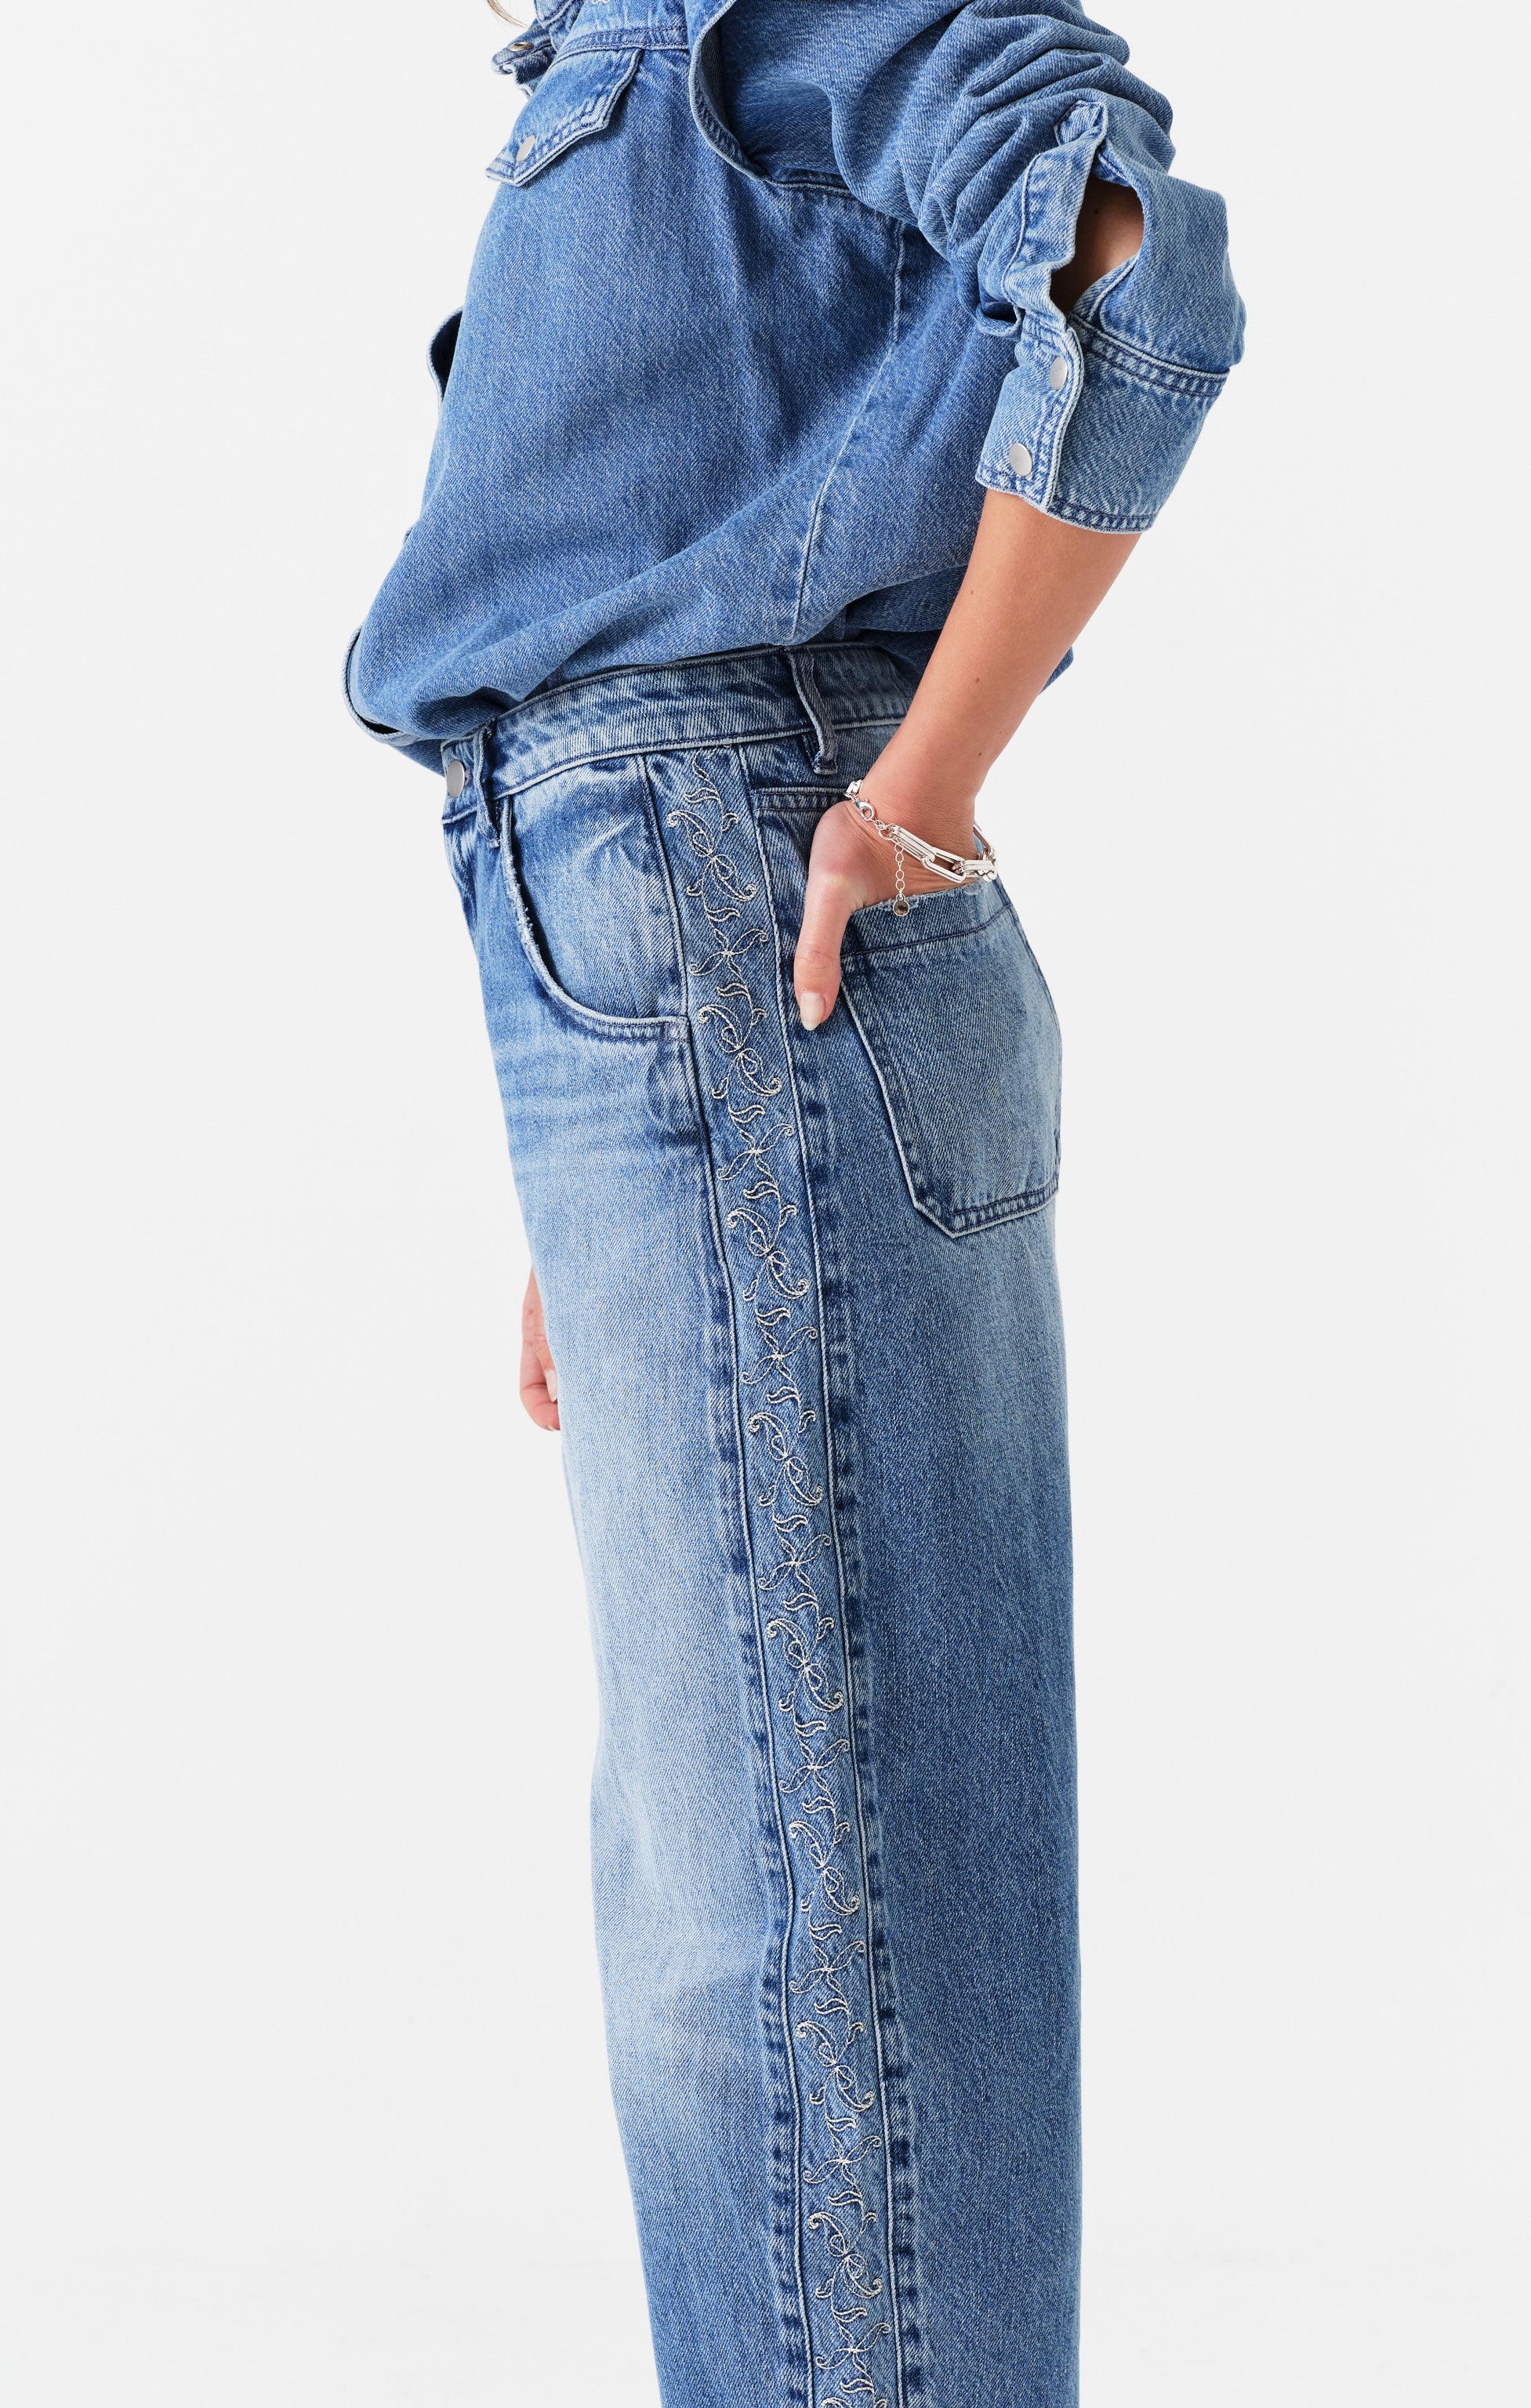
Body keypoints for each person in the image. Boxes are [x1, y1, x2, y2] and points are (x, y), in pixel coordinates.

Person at [346, 5, 1242, 2400]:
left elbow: (1136, 263)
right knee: (761, 1891)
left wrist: (920, 792)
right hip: (678, 978)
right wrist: (622, 1126)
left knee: (798, 1913)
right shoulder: (616, 58)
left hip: (745, 893)